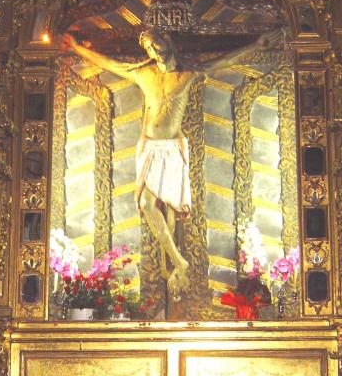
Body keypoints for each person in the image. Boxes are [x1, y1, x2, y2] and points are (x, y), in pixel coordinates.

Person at [61, 28, 281, 298]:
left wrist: (256, 44)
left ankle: (175, 267)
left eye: (157, 44)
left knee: (172, 212)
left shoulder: (187, 74)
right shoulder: (144, 74)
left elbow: (222, 61)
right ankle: (178, 261)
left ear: (167, 41)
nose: (154, 52)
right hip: (150, 149)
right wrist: (77, 48)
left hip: (172, 149)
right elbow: (110, 65)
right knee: (146, 205)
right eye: (149, 49)